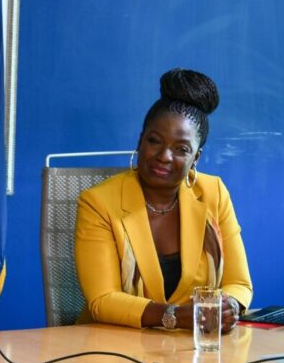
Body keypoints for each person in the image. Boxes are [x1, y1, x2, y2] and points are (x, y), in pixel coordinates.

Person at [75, 68, 252, 331]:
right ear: (140, 141)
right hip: (115, 344)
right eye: (155, 141)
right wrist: (174, 316)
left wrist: (230, 307)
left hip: (193, 346)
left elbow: (239, 283)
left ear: (196, 158)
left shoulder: (213, 192)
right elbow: (103, 299)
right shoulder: (98, 202)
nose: (164, 156)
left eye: (181, 149)